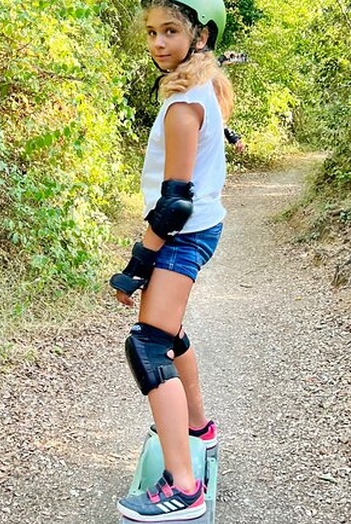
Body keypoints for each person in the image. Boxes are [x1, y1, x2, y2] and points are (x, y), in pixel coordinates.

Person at [109, 0, 233, 520]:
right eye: (152, 33)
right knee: (169, 328)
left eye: (171, 32)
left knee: (148, 344)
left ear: (199, 36)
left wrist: (137, 265)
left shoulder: (184, 105)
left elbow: (175, 203)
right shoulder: (199, 87)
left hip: (184, 231)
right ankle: (199, 429)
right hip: (199, 226)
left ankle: (184, 487)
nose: (159, 43)